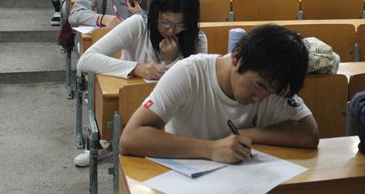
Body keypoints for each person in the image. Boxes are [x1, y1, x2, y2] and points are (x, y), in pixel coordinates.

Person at [120, 24, 319, 163]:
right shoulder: (188, 73)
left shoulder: (274, 81)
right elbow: (130, 138)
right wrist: (211, 149)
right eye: (259, 86)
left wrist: (245, 134)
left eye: (271, 92)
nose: (260, 99)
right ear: (237, 58)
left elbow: (309, 134)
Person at [74, 0, 206, 168]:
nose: (171, 30)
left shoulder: (197, 38)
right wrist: (136, 68)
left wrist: (171, 62)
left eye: (180, 25)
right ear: (156, 13)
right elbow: (86, 60)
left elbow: (195, 83)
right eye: (165, 22)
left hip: (175, 116)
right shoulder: (139, 24)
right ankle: (110, 142)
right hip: (134, 107)